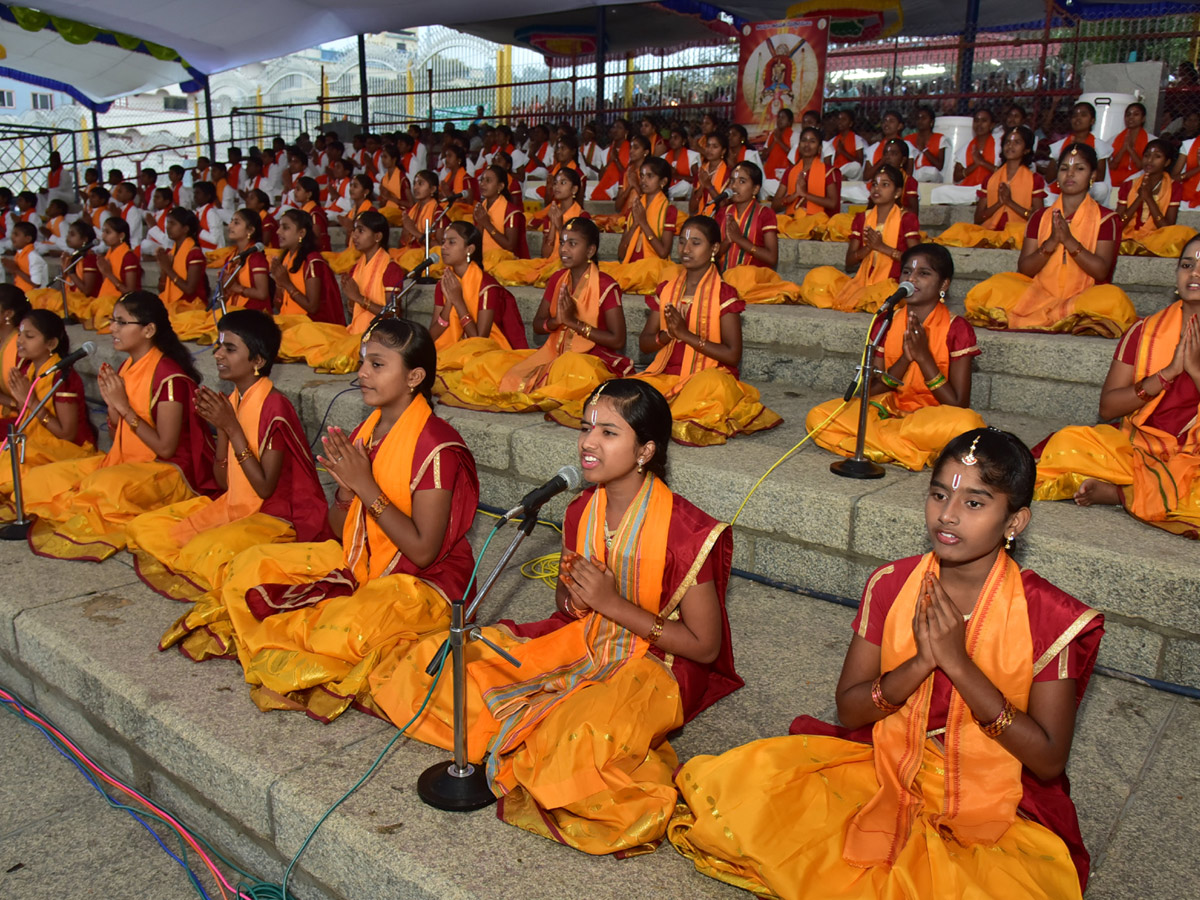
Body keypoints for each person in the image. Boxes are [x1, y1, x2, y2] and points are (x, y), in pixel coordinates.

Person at [669, 428, 1104, 900]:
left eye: (975, 503)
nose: (948, 515)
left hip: (1000, 797)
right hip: (886, 761)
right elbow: (851, 710)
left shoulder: (1052, 617)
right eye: (939, 494)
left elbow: (1047, 758)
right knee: (751, 793)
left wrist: (959, 665)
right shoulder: (893, 584)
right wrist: (921, 663)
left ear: (1015, 521)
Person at [370, 378, 742, 854]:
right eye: (587, 428)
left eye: (609, 432)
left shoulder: (689, 532)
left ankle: (548, 731)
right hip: (581, 639)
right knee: (447, 665)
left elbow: (704, 647)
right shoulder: (582, 509)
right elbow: (567, 606)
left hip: (656, 665)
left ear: (645, 450)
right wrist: (577, 600)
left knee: (577, 744)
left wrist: (612, 605)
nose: (587, 442)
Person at [206, 318, 479, 721]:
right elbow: (341, 530)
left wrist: (365, 487)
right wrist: (348, 493)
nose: (362, 373)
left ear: (414, 376)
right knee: (247, 566)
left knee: (346, 631)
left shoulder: (436, 446)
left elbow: (423, 552)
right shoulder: (365, 433)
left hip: (423, 582)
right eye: (363, 362)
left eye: (377, 365)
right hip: (361, 566)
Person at [130, 311, 329, 629]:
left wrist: (231, 428)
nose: (218, 354)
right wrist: (222, 429)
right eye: (219, 346)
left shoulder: (274, 406)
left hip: (275, 516)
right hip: (235, 505)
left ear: (258, 360)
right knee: (149, 529)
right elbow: (223, 480)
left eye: (230, 348)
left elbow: (265, 488)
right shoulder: (234, 398)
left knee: (206, 553)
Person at [21, 291, 216, 561]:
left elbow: (166, 447)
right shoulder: (126, 367)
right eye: (113, 321)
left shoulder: (170, 378)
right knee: (38, 480)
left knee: (103, 488)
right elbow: (118, 437)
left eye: (122, 322)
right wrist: (113, 410)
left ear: (148, 330)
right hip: (124, 463)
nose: (112, 328)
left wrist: (123, 407)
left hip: (167, 470)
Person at [1034, 235, 1200, 537]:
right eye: (1187, 264)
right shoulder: (1144, 331)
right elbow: (1108, 407)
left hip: (1196, 457)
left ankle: (1119, 492)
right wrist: (1167, 373)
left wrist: (1195, 372)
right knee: (1068, 443)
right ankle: (1139, 487)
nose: (1194, 273)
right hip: (1139, 448)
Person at [806, 244, 985, 470]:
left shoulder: (957, 328)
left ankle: (883, 446)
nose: (912, 279)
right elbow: (868, 390)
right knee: (818, 416)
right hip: (888, 410)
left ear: (944, 284)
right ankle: (909, 449)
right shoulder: (885, 323)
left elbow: (959, 403)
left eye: (924, 273)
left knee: (966, 425)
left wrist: (924, 359)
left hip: (931, 419)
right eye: (907, 272)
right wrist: (904, 360)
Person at [438, 217, 632, 420]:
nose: (564, 249)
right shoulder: (558, 279)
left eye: (572, 244)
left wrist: (574, 323)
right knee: (490, 363)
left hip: (589, 358)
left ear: (590, 251)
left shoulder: (606, 285)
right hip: (552, 353)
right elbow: (538, 326)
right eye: (562, 243)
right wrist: (557, 322)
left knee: (576, 371)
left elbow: (618, 340)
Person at [635, 216, 782, 445]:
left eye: (696, 242)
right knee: (626, 394)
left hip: (708, 379)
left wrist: (686, 335)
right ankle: (666, 412)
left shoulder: (725, 294)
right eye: (682, 241)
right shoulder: (666, 290)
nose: (686, 248)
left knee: (708, 386)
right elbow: (644, 344)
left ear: (714, 248)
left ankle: (663, 415)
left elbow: (733, 355)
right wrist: (668, 335)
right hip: (667, 376)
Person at [966, 143, 1135, 338]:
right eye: (1064, 169)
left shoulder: (1106, 219)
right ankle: (1059, 314)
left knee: (1113, 299)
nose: (1070, 174)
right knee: (995, 285)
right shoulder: (1039, 217)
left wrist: (1069, 241)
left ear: (1093, 176)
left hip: (1084, 296)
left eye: (1079, 168)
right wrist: (1051, 243)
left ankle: (1058, 313)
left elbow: (1101, 271)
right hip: (1039, 293)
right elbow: (1025, 269)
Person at [277, 210, 401, 374]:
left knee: (327, 350)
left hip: (375, 339)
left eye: (361, 231)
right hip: (351, 333)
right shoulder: (357, 268)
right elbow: (354, 310)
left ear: (377, 237)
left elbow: (394, 313)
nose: (354, 236)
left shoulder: (391, 269)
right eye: (354, 230)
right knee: (301, 333)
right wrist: (352, 300)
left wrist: (358, 298)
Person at [800, 164, 920, 312]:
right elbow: (849, 262)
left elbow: (917, 263)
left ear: (897, 192)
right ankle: (863, 297)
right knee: (817, 276)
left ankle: (865, 298)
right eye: (875, 184)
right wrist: (868, 248)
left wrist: (882, 248)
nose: (877, 189)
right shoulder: (862, 218)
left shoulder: (907, 219)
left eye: (885, 185)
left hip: (892, 283)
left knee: (888, 293)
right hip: (863, 282)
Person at [0, 309, 95, 495]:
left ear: (51, 343)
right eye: (19, 334)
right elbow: (25, 413)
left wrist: (32, 401)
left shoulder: (62, 377)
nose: (19, 340)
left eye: (29, 336)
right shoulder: (29, 370)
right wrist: (20, 401)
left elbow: (66, 434)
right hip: (34, 442)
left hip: (66, 450)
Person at [428, 222, 527, 364]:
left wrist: (458, 302)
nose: (443, 247)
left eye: (451, 242)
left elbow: (480, 340)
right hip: (451, 351)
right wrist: (449, 304)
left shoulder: (486, 286)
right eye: (443, 242)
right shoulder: (445, 283)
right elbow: (432, 335)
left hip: (484, 355)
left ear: (469, 249)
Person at [936, 125, 1046, 249]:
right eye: (1007, 142)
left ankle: (1003, 242)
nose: (1010, 146)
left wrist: (1010, 203)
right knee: (959, 228)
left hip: (1018, 231)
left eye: (1017, 142)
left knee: (1020, 232)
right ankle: (997, 242)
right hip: (991, 230)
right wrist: (999, 203)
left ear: (1026, 150)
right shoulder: (991, 179)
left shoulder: (1034, 179)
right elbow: (978, 218)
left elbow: (1039, 219)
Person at [1116, 139, 1196, 257]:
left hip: (1156, 237)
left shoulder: (1174, 187)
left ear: (1167, 162)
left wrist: (1148, 198)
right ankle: (1137, 246)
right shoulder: (1128, 185)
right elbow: (1118, 225)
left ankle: (1142, 246)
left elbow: (1167, 227)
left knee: (1185, 233)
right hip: (1127, 235)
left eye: (1157, 156)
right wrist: (1139, 199)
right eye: (1147, 155)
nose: (1150, 160)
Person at [612, 156, 679, 294]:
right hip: (630, 268)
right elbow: (620, 254)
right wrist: (635, 225)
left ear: (663, 181)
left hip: (652, 268)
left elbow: (663, 252)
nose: (643, 180)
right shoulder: (634, 209)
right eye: (641, 176)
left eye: (650, 176)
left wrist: (644, 224)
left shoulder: (669, 210)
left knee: (653, 268)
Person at [774, 126, 842, 239]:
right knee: (776, 221)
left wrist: (805, 194)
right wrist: (794, 196)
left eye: (812, 141)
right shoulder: (790, 171)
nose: (807, 145)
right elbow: (774, 205)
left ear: (819, 148)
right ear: (799, 146)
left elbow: (833, 203)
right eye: (804, 140)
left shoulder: (827, 171)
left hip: (816, 220)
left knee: (819, 222)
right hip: (793, 219)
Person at [929, 108, 1002, 205]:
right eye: (976, 121)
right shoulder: (966, 148)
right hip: (970, 190)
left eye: (984, 121)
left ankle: (975, 200)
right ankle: (973, 200)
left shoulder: (1000, 146)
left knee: (989, 191)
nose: (979, 124)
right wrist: (975, 165)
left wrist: (982, 162)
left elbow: (1003, 173)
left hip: (989, 188)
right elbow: (956, 177)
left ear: (992, 125)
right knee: (939, 192)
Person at [1045, 102, 1112, 204]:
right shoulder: (1060, 145)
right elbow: (1049, 178)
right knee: (1046, 194)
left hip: (1087, 187)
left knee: (1101, 189)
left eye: (1083, 115)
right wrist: (1063, 156)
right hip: (1064, 185)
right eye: (1074, 115)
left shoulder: (1099, 146)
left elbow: (1099, 178)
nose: (1078, 118)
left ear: (1092, 121)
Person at [87, 216, 142, 329]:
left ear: (121, 236)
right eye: (103, 232)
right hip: (108, 301)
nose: (103, 236)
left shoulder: (129, 257)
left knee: (101, 314)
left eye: (108, 232)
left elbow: (130, 293)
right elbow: (106, 286)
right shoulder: (109, 254)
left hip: (126, 303)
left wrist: (108, 274)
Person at [155, 208, 209, 312]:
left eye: (173, 223)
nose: (168, 227)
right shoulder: (171, 252)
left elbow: (189, 289)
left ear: (185, 229)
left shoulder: (195, 254)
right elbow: (162, 289)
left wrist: (168, 269)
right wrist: (164, 270)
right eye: (168, 223)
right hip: (173, 305)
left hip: (191, 307)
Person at [472, 165, 529, 259]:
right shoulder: (481, 208)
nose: (482, 184)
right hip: (483, 258)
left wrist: (487, 224)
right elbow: (477, 240)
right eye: (481, 180)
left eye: (488, 181)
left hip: (504, 262)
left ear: (500, 186)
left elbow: (510, 246)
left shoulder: (511, 212)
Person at [1108, 102, 1153, 188]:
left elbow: (1142, 167)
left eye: (1136, 114)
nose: (1131, 117)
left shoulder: (1151, 141)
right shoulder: (1113, 139)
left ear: (1143, 119)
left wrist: (1130, 150)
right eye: (1128, 115)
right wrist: (1123, 149)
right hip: (1115, 181)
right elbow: (1111, 167)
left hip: (1139, 181)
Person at [690, 132, 730, 218]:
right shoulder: (701, 171)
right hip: (702, 218)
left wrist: (709, 186)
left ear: (723, 151)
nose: (709, 149)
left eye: (715, 147)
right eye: (708, 146)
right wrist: (701, 187)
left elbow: (723, 206)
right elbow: (692, 208)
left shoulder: (729, 173)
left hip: (720, 221)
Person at [1, 222, 47, 292]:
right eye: (12, 234)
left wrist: (16, 269)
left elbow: (36, 284)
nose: (12, 237)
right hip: (21, 293)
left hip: (34, 297)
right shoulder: (19, 254)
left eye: (16, 234)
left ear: (28, 239)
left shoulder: (33, 257)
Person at [906, 106, 946, 182]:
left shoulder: (940, 138)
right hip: (913, 174)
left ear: (932, 122)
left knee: (932, 172)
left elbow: (939, 166)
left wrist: (924, 149)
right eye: (918, 118)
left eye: (924, 118)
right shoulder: (908, 139)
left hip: (931, 176)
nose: (920, 121)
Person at [826, 109, 866, 180]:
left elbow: (860, 162)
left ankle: (839, 175)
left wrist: (843, 152)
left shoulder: (857, 139)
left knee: (856, 166)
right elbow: (828, 162)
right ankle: (838, 175)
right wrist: (837, 154)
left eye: (844, 119)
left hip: (852, 174)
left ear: (850, 124)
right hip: (836, 170)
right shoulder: (832, 141)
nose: (840, 122)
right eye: (839, 119)